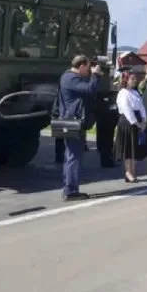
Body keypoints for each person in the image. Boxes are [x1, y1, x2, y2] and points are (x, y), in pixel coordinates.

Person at [58, 55, 103, 201]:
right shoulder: (71, 79)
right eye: (88, 67)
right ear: (82, 66)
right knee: (73, 157)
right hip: (73, 121)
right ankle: (70, 191)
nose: (89, 70)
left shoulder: (69, 77)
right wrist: (96, 75)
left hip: (73, 120)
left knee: (72, 156)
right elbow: (89, 90)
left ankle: (70, 189)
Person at [114, 72, 147, 183]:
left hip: (137, 120)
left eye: (135, 78)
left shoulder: (135, 92)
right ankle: (128, 172)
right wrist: (136, 123)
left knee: (135, 148)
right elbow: (127, 110)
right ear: (126, 80)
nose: (135, 80)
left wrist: (144, 120)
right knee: (128, 149)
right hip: (127, 122)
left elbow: (141, 106)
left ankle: (133, 171)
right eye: (132, 78)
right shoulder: (123, 93)